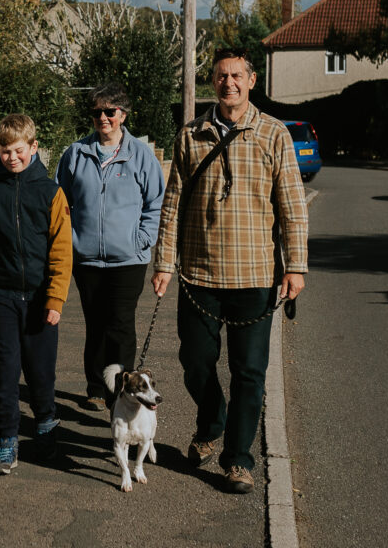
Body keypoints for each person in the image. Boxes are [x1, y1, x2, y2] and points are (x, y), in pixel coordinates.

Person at [151, 49, 308, 494]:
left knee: (250, 372)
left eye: (237, 76)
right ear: (212, 82)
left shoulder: (274, 134)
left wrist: (295, 267)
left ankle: (238, 459)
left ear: (251, 81)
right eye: (221, 76)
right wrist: (164, 262)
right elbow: (172, 205)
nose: (229, 83)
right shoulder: (190, 135)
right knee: (195, 361)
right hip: (198, 275)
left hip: (256, 275)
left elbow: (293, 208)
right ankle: (211, 417)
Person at [0, 114, 74, 474]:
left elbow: (61, 250)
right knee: (5, 368)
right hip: (2, 295)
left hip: (40, 297)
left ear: (34, 148)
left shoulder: (51, 193)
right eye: (5, 150)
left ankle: (44, 423)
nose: (12, 157)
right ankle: (7, 438)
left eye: (19, 150)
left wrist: (55, 299)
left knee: (40, 370)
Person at [55, 83, 166, 411]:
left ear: (123, 115)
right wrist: (69, 241)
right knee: (95, 322)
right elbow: (60, 202)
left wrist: (142, 239)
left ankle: (122, 389)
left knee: (120, 323)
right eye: (96, 112)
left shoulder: (141, 155)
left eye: (109, 112)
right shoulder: (76, 153)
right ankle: (95, 384)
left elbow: (156, 202)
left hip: (128, 259)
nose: (102, 118)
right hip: (86, 257)